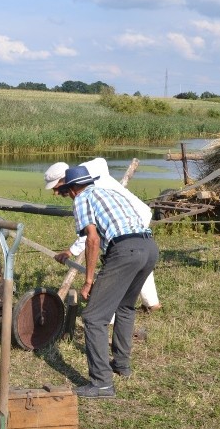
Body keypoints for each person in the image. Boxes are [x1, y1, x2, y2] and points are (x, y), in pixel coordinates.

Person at [57, 166, 158, 398]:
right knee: (125, 307)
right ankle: (121, 364)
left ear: (73, 189)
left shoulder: (81, 198)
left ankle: (101, 383)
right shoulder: (109, 192)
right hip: (149, 248)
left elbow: (92, 239)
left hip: (125, 251)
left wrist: (89, 280)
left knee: (93, 317)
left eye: (65, 191)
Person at [44, 158, 161, 313]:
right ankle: (151, 303)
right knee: (136, 261)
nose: (56, 192)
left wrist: (72, 253)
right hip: (137, 219)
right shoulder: (89, 175)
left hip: (125, 224)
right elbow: (101, 161)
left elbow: (92, 236)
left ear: (65, 180)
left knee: (117, 263)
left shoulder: (83, 193)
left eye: (57, 187)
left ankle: (108, 311)